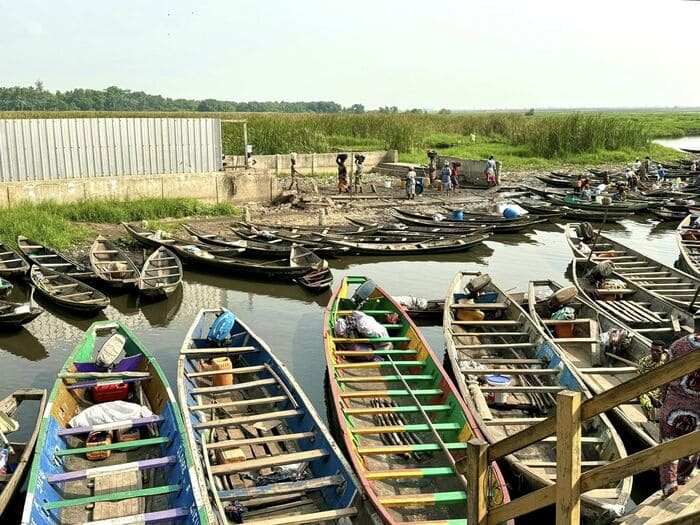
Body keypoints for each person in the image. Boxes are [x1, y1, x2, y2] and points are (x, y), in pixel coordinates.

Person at [659, 334, 700, 497]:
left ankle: (669, 488)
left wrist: (663, 400)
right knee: (692, 446)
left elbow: (664, 377)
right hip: (697, 411)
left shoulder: (678, 345)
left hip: (672, 408)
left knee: (668, 448)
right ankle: (683, 479)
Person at [637, 340, 668, 421]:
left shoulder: (667, 363)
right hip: (646, 389)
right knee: (643, 397)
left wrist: (660, 397)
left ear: (663, 352)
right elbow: (640, 382)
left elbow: (668, 383)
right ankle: (651, 419)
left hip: (662, 389)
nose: (654, 353)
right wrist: (651, 396)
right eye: (652, 350)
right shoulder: (644, 362)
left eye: (657, 351)